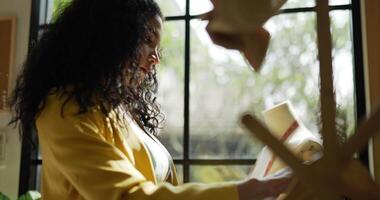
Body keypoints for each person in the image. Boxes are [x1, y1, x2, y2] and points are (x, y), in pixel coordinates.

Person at [8, 0, 290, 199]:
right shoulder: (64, 108)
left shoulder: (123, 112)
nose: (156, 58)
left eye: (158, 48)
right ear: (111, 38)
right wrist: (248, 190)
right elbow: (126, 196)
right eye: (147, 41)